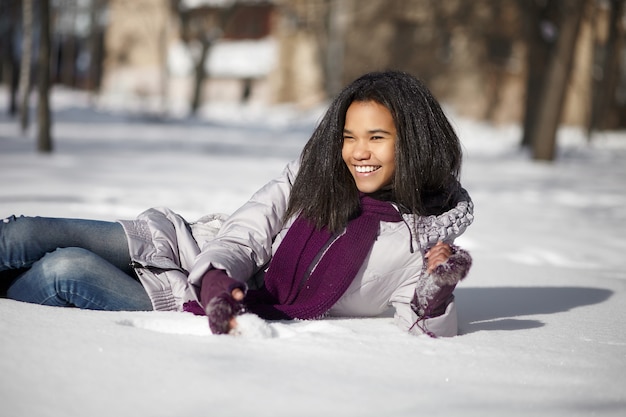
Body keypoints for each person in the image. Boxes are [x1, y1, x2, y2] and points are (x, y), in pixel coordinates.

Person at [0, 71, 473, 337]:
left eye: (376, 138)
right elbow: (251, 226)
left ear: (414, 142)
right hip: (201, 254)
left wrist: (439, 289)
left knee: (67, 271)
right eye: (349, 137)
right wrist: (219, 276)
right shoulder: (317, 174)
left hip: (207, 305)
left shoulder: (423, 245)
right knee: (24, 232)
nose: (358, 152)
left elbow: (426, 325)